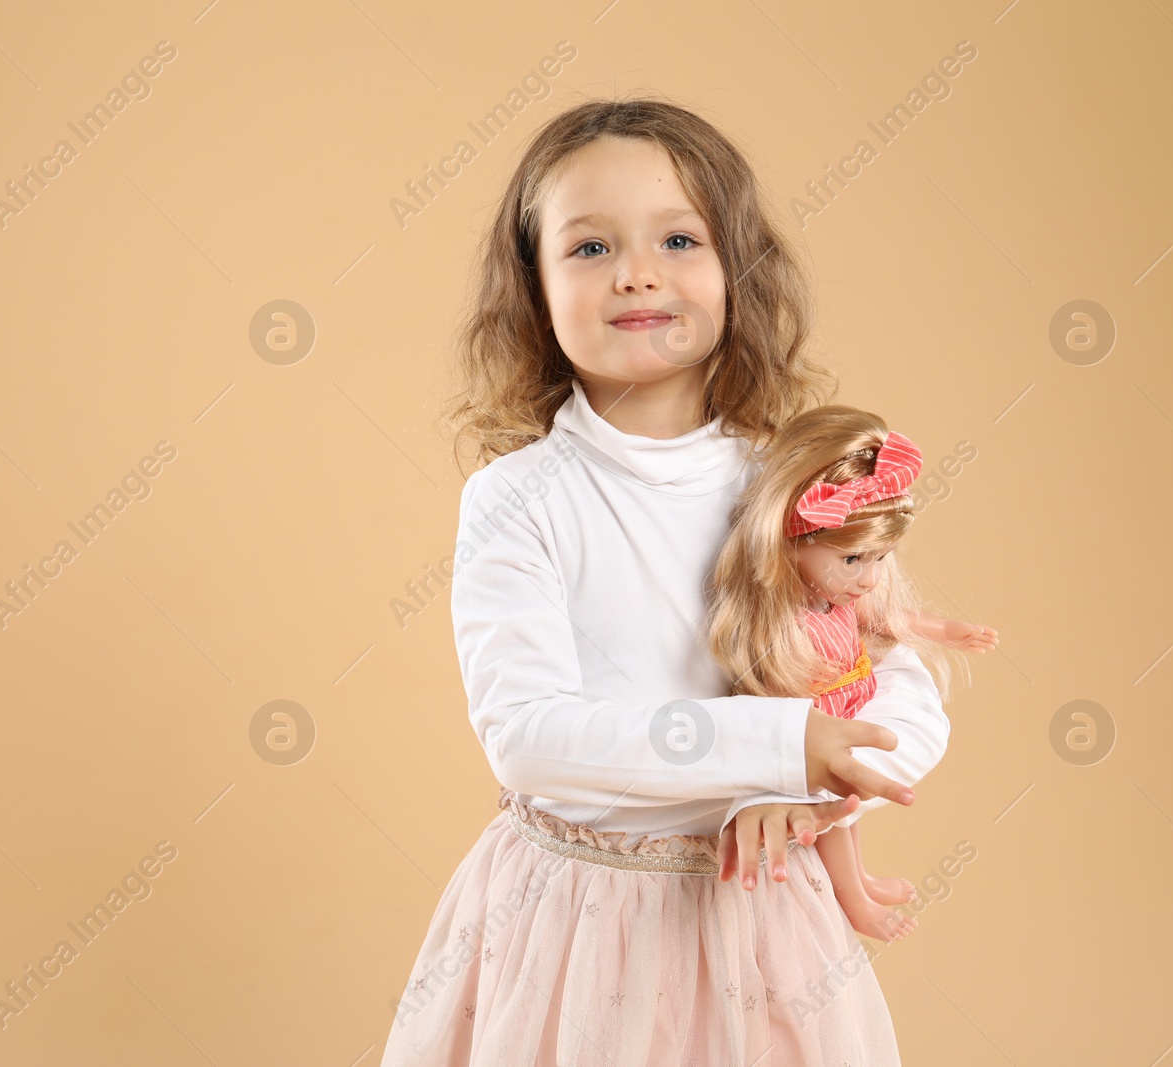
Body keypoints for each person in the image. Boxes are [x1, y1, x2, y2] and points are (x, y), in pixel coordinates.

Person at [379, 96, 950, 1067]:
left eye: (678, 238)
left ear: (736, 269)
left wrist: (822, 789)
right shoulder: (518, 500)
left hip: (760, 915)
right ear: (535, 286)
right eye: (590, 248)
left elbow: (898, 682)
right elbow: (529, 736)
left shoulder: (791, 486)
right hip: (567, 921)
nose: (637, 271)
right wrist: (780, 741)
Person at [705, 408, 997, 943]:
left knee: (853, 811)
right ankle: (853, 899)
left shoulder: (834, 596)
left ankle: (860, 875)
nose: (869, 579)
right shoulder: (782, 618)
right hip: (818, 727)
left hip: (852, 707)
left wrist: (947, 629)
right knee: (837, 811)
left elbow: (889, 620)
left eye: (881, 558)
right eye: (853, 559)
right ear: (789, 538)